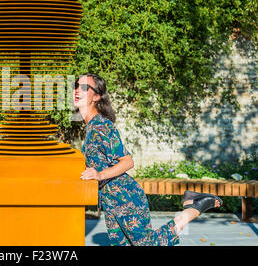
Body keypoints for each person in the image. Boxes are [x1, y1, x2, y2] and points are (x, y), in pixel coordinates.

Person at [77, 73, 222, 246]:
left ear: (97, 96)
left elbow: (127, 161)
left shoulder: (102, 125)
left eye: (85, 87)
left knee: (148, 244)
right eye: (76, 86)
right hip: (109, 202)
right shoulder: (91, 127)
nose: (77, 90)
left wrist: (99, 175)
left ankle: (193, 209)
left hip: (125, 197)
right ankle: (192, 200)